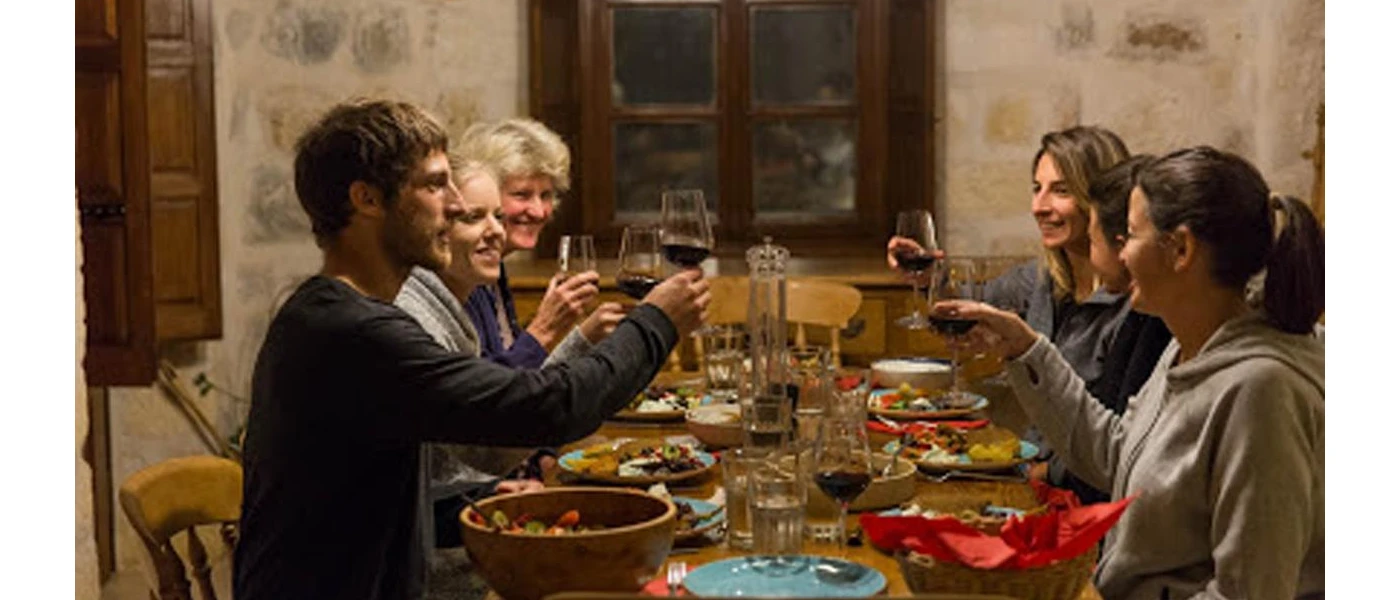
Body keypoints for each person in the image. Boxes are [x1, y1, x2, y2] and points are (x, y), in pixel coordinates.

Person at [234, 99, 710, 600]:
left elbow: (437, 460)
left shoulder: (338, 315)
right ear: (367, 199)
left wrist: (480, 496)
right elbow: (549, 406)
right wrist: (658, 321)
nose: (457, 203)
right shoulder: (351, 333)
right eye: (437, 184)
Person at [935, 146, 1324, 599]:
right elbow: (1117, 455)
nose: (1119, 255)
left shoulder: (1262, 390)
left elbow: (1248, 592)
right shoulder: (1188, 344)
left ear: (1180, 249)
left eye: (1131, 236)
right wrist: (1025, 349)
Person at [887, 126, 1133, 480]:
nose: (1039, 207)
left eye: (1060, 191)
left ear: (1101, 201)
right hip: (1025, 468)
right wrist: (929, 281)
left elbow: (1120, 443)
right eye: (1037, 189)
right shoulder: (1041, 277)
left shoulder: (1133, 304)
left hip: (1074, 489)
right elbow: (970, 306)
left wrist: (1040, 475)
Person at [1052, 154, 1174, 504]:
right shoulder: (1151, 314)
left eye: (1092, 240)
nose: (1122, 256)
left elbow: (1113, 461)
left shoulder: (1153, 320)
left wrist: (1028, 353)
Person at [455, 118, 616, 368]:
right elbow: (488, 391)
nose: (539, 211)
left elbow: (524, 378)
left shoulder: (494, 267)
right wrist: (545, 327)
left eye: (546, 195)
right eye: (522, 194)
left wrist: (585, 336)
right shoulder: (462, 275)